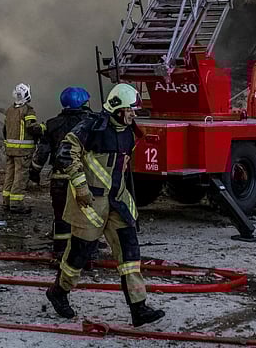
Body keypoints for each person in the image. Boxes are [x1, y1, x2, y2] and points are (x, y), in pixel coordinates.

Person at [44, 82, 165, 328]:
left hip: (118, 201)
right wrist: (80, 186)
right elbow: (65, 152)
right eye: (131, 109)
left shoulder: (130, 131)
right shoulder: (92, 126)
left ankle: (138, 308)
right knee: (79, 252)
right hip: (90, 202)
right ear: (118, 109)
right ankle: (59, 291)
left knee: (130, 254)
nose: (134, 114)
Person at [30, 86, 93, 257]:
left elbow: (41, 153)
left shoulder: (52, 124)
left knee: (61, 216)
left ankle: (60, 250)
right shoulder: (91, 123)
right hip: (84, 179)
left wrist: (34, 173)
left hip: (59, 180)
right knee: (86, 215)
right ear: (82, 102)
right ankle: (85, 254)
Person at [2, 83, 42, 213]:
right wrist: (42, 128)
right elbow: (32, 127)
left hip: (10, 151)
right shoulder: (28, 110)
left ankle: (6, 202)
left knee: (10, 175)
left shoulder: (9, 110)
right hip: (23, 152)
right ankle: (16, 204)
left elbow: (4, 130)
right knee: (20, 177)